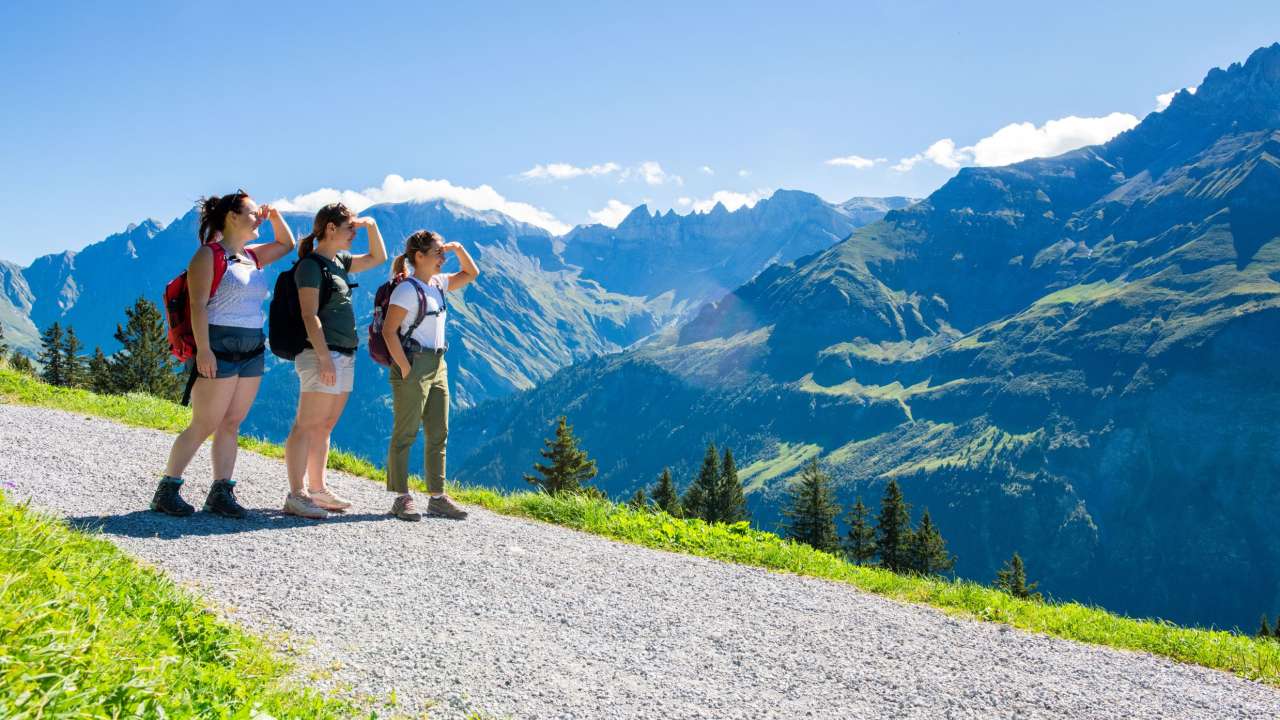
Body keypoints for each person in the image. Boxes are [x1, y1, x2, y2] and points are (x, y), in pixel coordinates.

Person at [152, 190, 296, 517]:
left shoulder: (252, 256)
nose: (258, 217)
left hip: (251, 347)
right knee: (205, 422)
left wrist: (275, 217)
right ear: (232, 217)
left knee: (231, 422)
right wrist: (203, 351)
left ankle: (221, 492)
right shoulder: (209, 255)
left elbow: (286, 245)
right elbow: (198, 305)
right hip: (218, 345)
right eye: (253, 213)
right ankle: (168, 488)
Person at [282, 202, 387, 519]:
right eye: (349, 229)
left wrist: (371, 227)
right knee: (305, 425)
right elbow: (308, 314)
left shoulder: (339, 260)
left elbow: (378, 258)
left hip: (344, 352)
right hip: (320, 353)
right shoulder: (311, 267)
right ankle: (296, 494)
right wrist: (325, 358)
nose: (353, 234)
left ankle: (318, 489)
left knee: (325, 425)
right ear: (330, 229)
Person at [382, 230, 478, 520]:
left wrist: (459, 245)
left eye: (443, 252)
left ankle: (437, 497)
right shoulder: (406, 290)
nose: (443, 257)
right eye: (438, 253)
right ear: (419, 257)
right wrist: (406, 367)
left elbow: (470, 273)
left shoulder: (437, 283)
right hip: (414, 361)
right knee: (405, 432)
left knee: (439, 432)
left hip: (438, 363)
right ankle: (401, 497)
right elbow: (389, 331)